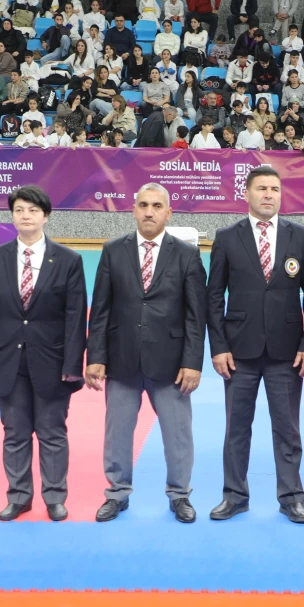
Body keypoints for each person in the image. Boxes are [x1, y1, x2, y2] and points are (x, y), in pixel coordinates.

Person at [86, 183, 206, 524]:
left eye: (156, 206)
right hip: (121, 357)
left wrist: (192, 363)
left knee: (177, 434)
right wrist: (95, 355)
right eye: (143, 205)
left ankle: (180, 495)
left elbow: (196, 316)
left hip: (171, 363)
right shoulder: (113, 251)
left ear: (169, 213)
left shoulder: (186, 255)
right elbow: (100, 309)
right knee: (118, 432)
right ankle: (117, 493)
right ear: (133, 210)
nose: (149, 212)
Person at [207, 166, 304, 523]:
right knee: (236, 427)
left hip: (287, 350)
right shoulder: (227, 237)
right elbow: (213, 297)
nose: (268, 194)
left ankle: (291, 496)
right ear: (248, 193)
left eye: (274, 188)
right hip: (238, 350)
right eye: (261, 188)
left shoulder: (300, 237)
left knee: (287, 427)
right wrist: (219, 347)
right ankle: (235, 495)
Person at [0, 186, 85, 522]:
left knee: (52, 433)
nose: (26, 216)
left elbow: (76, 317)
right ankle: (19, 496)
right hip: (7, 361)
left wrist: (72, 365)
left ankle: (54, 497)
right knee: (15, 433)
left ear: (45, 216)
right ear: (12, 215)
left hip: (53, 362)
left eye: (33, 211)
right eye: (19, 210)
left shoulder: (68, 260)